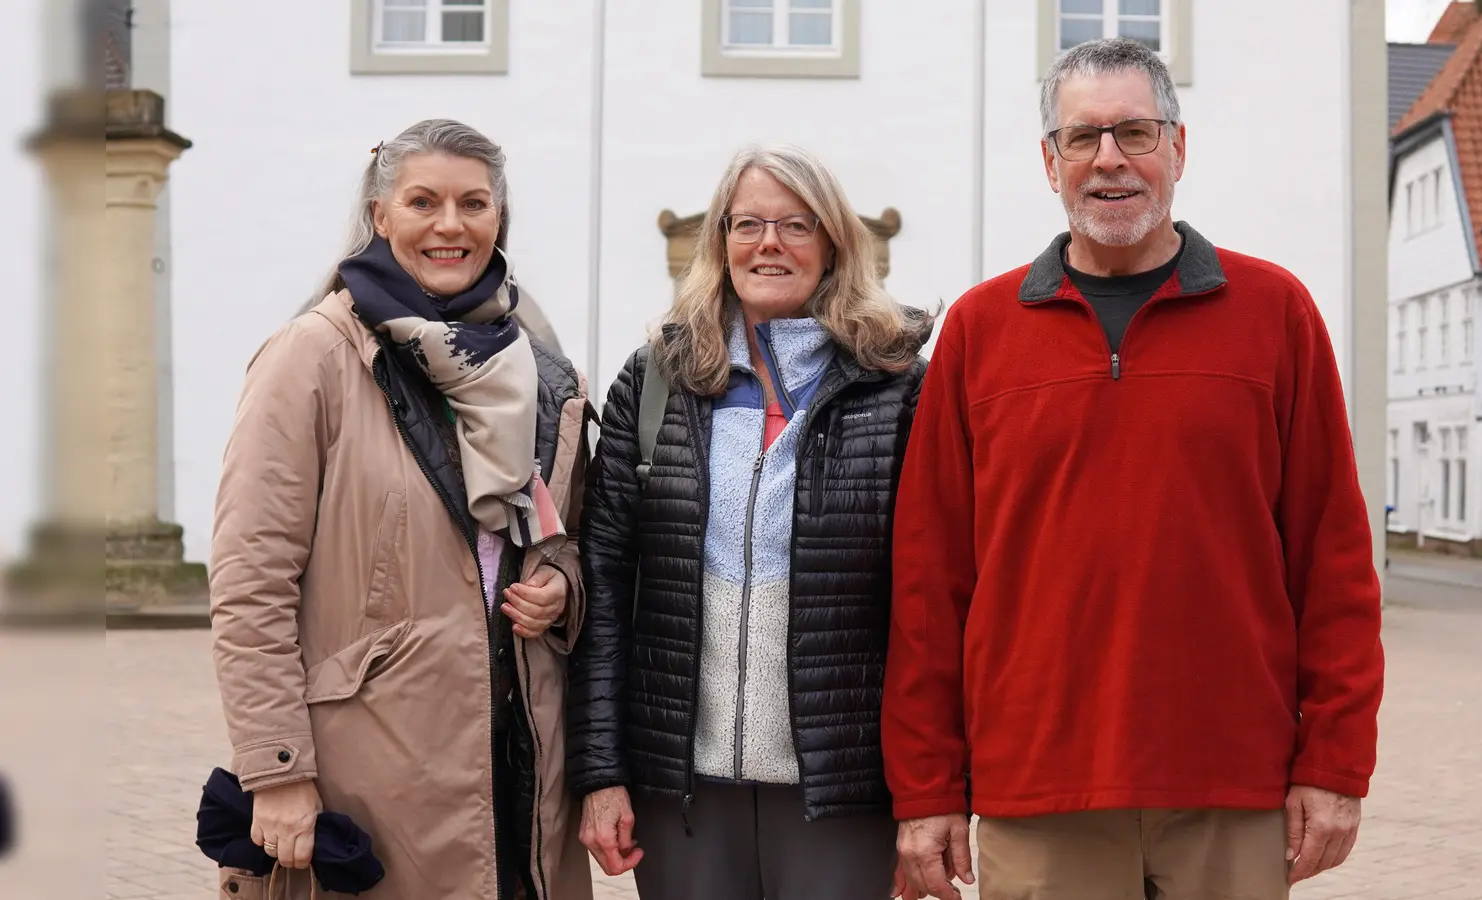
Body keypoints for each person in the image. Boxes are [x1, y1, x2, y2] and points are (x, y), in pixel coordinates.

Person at [884, 38, 1385, 900]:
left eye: (1135, 133)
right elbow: (931, 584)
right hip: (1040, 787)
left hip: (1232, 781)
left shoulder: (1276, 315)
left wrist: (1336, 763)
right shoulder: (979, 331)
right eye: (1082, 138)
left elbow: (1332, 560)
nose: (1109, 160)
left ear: (1178, 150)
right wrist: (926, 788)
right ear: (1050, 161)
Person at [208, 119, 593, 900]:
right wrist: (278, 771)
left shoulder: (541, 370)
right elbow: (251, 585)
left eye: (473, 204)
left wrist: (561, 589)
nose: (450, 225)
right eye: (424, 201)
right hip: (373, 769)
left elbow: (562, 534)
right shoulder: (313, 355)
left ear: (498, 218)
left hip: (520, 762)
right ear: (381, 216)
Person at [568, 143, 933, 899]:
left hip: (843, 789)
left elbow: (930, 602)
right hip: (682, 792)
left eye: (796, 225)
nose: (769, 244)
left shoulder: (898, 391)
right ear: (720, 242)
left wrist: (927, 796)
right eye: (748, 225)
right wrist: (602, 772)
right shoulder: (659, 378)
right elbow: (605, 586)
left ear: (833, 244)